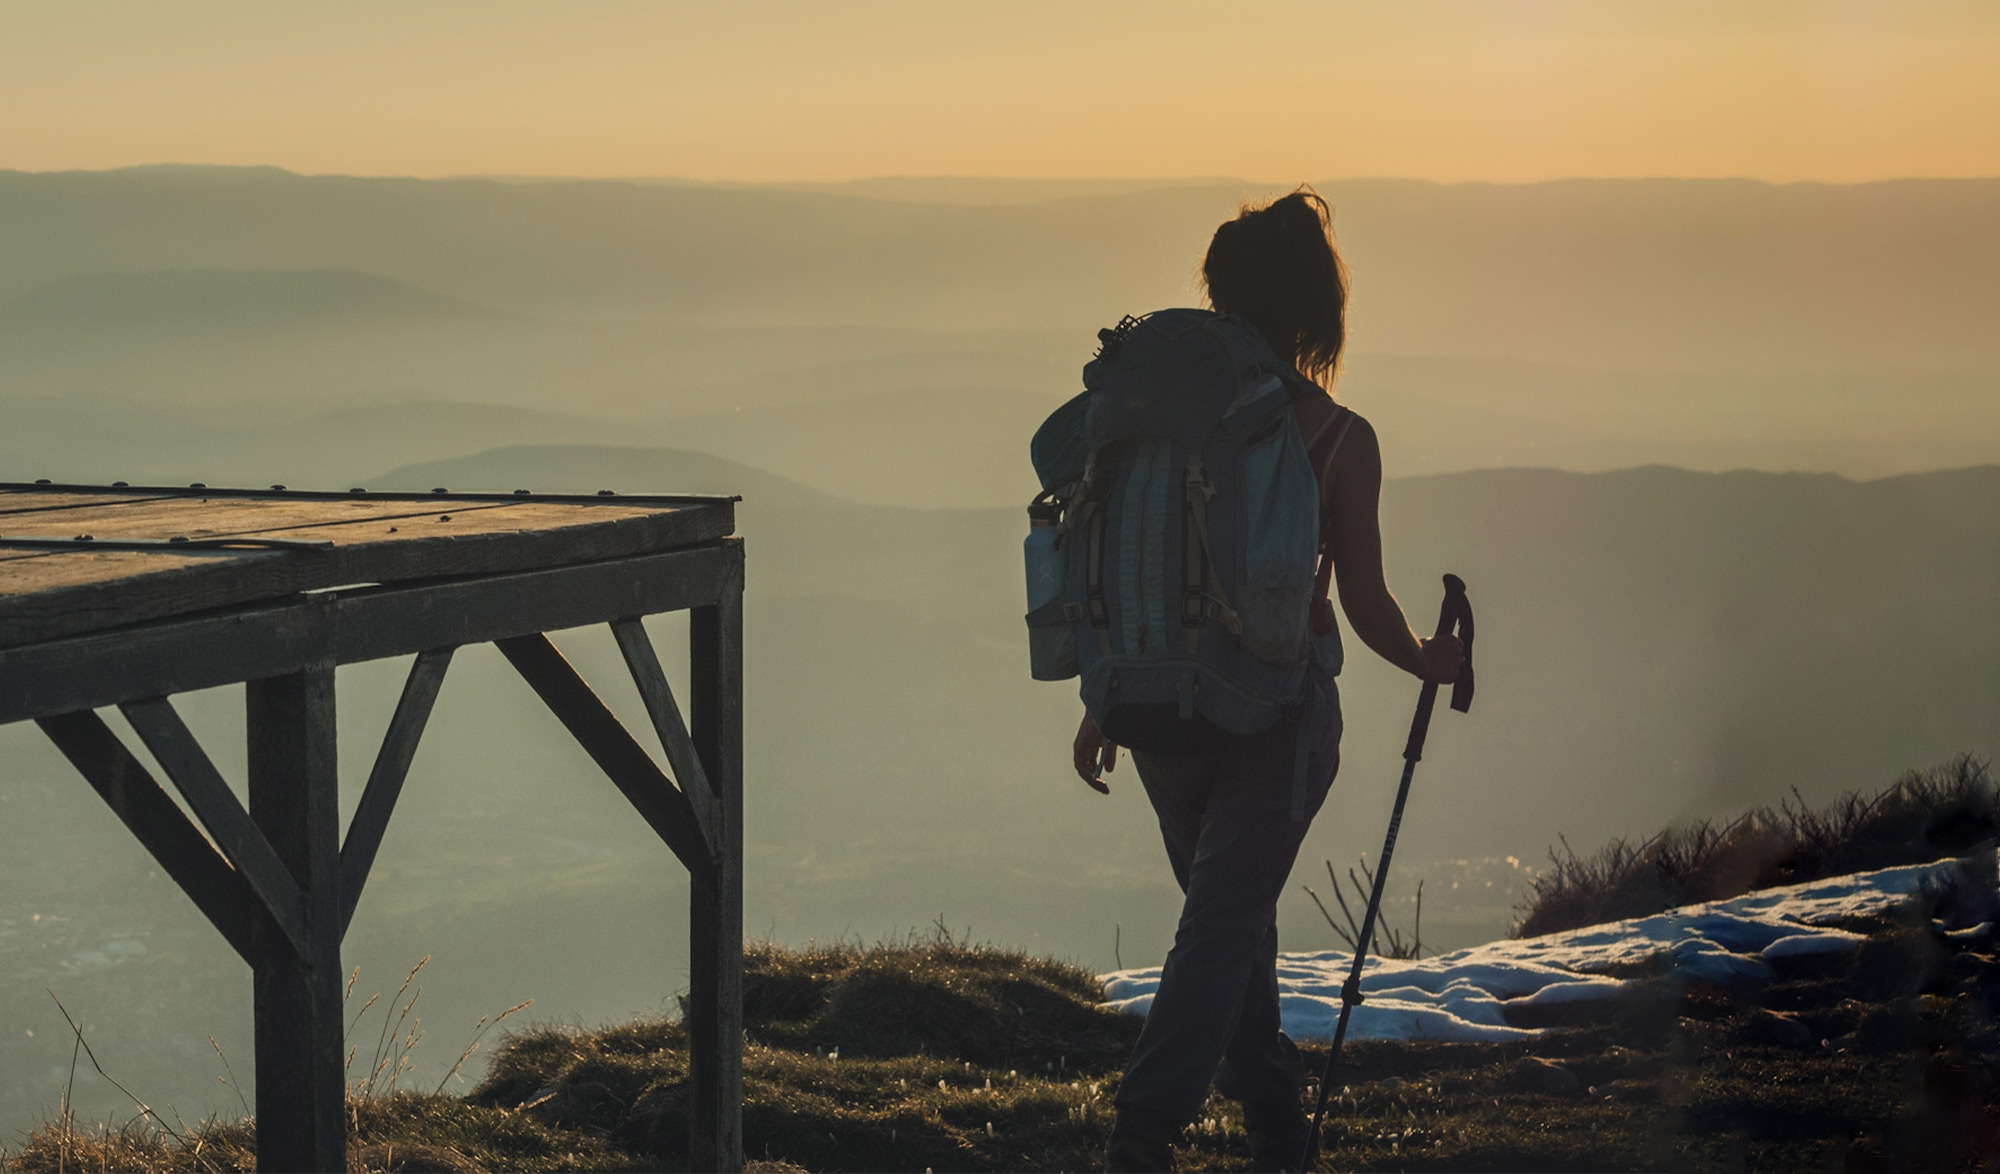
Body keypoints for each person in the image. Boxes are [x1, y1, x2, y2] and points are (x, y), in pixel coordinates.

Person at [1073, 189, 1462, 1173]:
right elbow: (1365, 604)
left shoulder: (1150, 419)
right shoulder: (1337, 438)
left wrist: (1101, 698)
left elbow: (1117, 558)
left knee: (1227, 924)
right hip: (1273, 717)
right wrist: (1428, 657)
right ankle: (1142, 1137)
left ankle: (1276, 1134)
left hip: (1155, 709)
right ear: (1310, 310)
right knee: (1220, 929)